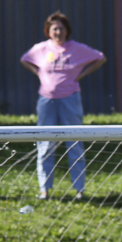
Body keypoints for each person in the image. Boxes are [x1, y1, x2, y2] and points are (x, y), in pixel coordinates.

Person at [20, 11, 105, 200]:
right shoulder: (41, 49)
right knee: (45, 144)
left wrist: (81, 75)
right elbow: (25, 59)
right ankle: (44, 189)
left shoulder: (77, 49)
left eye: (61, 29)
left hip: (70, 100)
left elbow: (100, 58)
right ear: (48, 32)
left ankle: (79, 189)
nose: (58, 32)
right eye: (55, 29)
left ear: (67, 31)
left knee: (74, 142)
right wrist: (39, 74)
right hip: (46, 100)